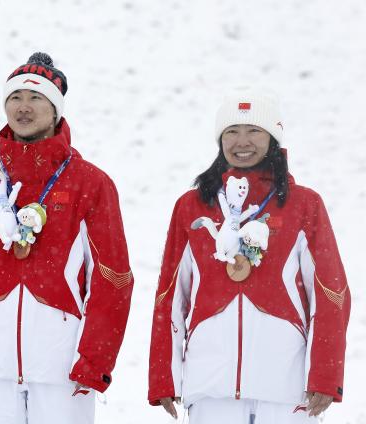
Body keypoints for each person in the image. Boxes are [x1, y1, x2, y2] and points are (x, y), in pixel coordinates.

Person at [0, 52, 134, 424]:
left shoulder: (91, 184)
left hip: (64, 366)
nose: (23, 108)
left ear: (56, 109)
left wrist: (92, 359)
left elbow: (112, 279)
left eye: (35, 98)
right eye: (15, 98)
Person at [148, 89, 350, 423]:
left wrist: (325, 376)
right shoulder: (192, 206)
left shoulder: (304, 205)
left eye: (254, 130)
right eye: (232, 131)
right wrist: (163, 376)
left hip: (286, 387)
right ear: (220, 140)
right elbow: (170, 296)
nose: (243, 141)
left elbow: (331, 293)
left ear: (273, 138)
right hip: (210, 385)